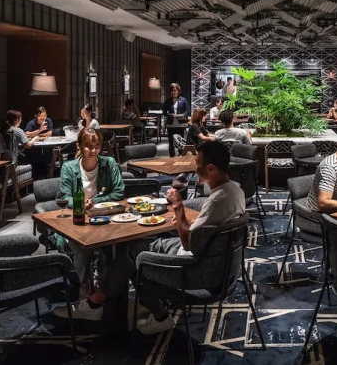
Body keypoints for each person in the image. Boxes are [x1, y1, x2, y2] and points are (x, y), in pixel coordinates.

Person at [55, 141, 244, 330]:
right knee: (140, 245)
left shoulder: (216, 202)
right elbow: (208, 229)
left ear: (210, 168)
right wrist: (191, 222)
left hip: (192, 268)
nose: (195, 167)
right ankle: (138, 309)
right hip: (217, 266)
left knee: (135, 256)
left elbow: (188, 244)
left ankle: (98, 303)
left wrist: (178, 207)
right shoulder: (235, 191)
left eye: (198, 163)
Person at [52, 127, 124, 317]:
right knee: (79, 245)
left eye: (97, 146)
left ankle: (101, 287)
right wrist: (80, 203)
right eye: (88, 146)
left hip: (104, 217)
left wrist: (96, 202)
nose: (93, 150)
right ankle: (86, 289)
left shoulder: (109, 163)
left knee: (107, 245)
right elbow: (65, 195)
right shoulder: (69, 168)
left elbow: (119, 191)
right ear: (79, 146)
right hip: (77, 218)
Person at [164, 83, 189, 157]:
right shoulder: (167, 101)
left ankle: (180, 157)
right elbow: (164, 112)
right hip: (170, 125)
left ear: (178, 91)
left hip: (180, 125)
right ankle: (171, 158)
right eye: (171, 91)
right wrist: (170, 115)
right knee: (171, 143)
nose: (173, 92)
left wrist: (182, 115)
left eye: (175, 90)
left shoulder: (183, 100)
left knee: (180, 143)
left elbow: (187, 111)